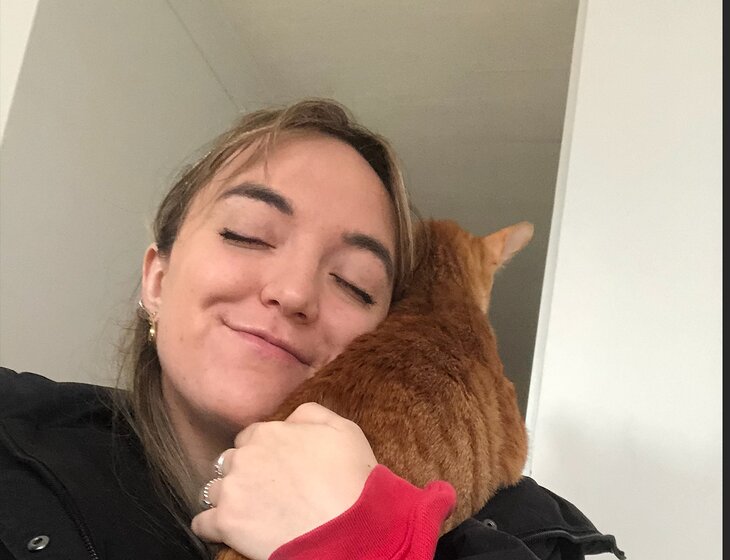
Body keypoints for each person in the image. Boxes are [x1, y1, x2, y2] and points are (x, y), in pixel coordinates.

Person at [0, 99, 624, 560]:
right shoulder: (15, 433)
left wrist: (372, 542)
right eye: (247, 234)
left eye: (354, 283)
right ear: (157, 280)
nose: (295, 292)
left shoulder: (527, 528)